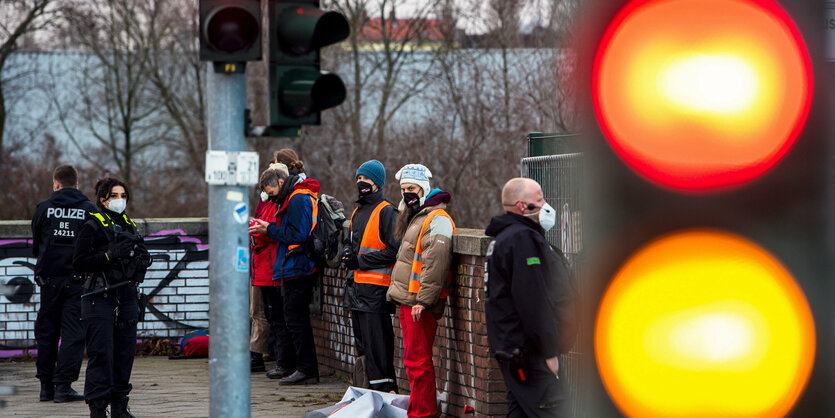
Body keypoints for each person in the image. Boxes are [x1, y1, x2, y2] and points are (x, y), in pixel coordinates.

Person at [484, 178, 577, 417]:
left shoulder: (504, 240)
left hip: (515, 351)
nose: (546, 205)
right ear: (522, 206)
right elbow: (533, 300)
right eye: (540, 200)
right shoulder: (522, 240)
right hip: (529, 354)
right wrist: (549, 352)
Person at [73, 177, 151, 418]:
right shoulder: (92, 226)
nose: (120, 201)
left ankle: (119, 406)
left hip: (126, 296)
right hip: (99, 297)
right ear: (102, 199)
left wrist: (141, 258)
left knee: (125, 354)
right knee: (101, 354)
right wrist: (108, 255)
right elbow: (78, 263)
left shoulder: (129, 225)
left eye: (124, 196)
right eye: (115, 196)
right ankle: (97, 408)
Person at [386, 164, 455, 417]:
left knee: (418, 362)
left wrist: (423, 301)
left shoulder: (437, 219)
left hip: (418, 303)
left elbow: (435, 263)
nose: (406, 193)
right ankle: (417, 410)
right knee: (413, 362)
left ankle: (423, 413)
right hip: (409, 301)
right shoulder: (418, 216)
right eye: (403, 189)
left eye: (412, 188)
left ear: (424, 189)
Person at [249, 155, 320, 385]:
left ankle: (306, 369)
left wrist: (269, 229)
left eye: (272, 193)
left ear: (280, 181)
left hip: (298, 267)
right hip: (293, 266)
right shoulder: (293, 196)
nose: (272, 199)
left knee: (295, 320)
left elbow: (296, 236)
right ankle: (302, 368)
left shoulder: (298, 199)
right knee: (291, 320)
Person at [31, 165, 97, 403]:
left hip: (49, 282)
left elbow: (36, 244)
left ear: (56, 183)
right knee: (73, 334)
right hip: (77, 282)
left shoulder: (44, 209)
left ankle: (45, 387)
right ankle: (63, 387)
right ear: (77, 184)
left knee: (47, 333)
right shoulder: (89, 209)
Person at [341, 159, 400, 393]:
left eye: (365, 179)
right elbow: (352, 242)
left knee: (379, 351)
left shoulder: (386, 211)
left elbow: (393, 249)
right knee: (363, 350)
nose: (360, 183)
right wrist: (348, 252)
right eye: (358, 179)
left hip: (376, 293)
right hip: (356, 290)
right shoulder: (357, 211)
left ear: (377, 183)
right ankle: (366, 395)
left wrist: (361, 261)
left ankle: (385, 396)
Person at [249, 163, 286, 375]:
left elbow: (273, 229)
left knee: (271, 315)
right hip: (262, 266)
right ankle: (261, 355)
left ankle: (265, 357)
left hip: (269, 268)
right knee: (263, 313)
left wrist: (260, 230)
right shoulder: (271, 203)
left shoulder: (277, 203)